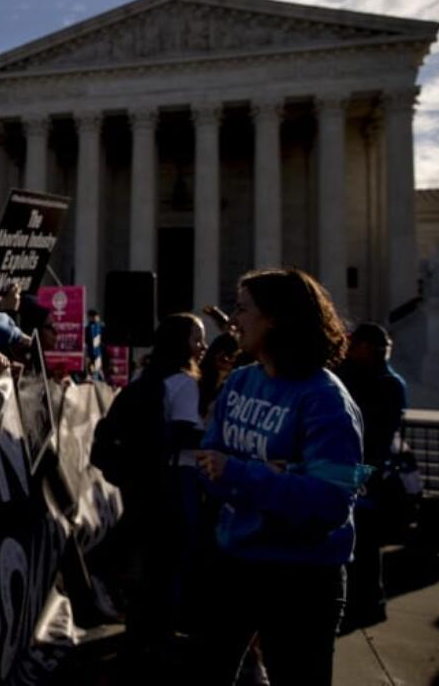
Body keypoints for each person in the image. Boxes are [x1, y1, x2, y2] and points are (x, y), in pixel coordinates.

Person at [194, 268, 364, 686]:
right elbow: (209, 465)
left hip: (302, 580)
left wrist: (240, 473)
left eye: (243, 308)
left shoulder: (326, 399)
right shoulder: (239, 381)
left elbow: (330, 503)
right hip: (235, 561)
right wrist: (277, 475)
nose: (233, 319)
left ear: (276, 318)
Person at [114, 313, 207, 676]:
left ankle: (140, 636)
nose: (202, 346)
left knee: (149, 562)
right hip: (178, 479)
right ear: (183, 343)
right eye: (197, 339)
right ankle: (162, 635)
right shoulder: (184, 383)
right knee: (173, 560)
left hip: (146, 480)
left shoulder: (146, 376)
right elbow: (185, 432)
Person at [338, 321, 408, 630]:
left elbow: (370, 430)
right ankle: (366, 601)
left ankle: (367, 602)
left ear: (365, 348)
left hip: (366, 469)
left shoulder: (384, 383)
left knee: (363, 540)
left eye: (353, 346)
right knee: (360, 539)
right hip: (362, 467)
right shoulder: (381, 379)